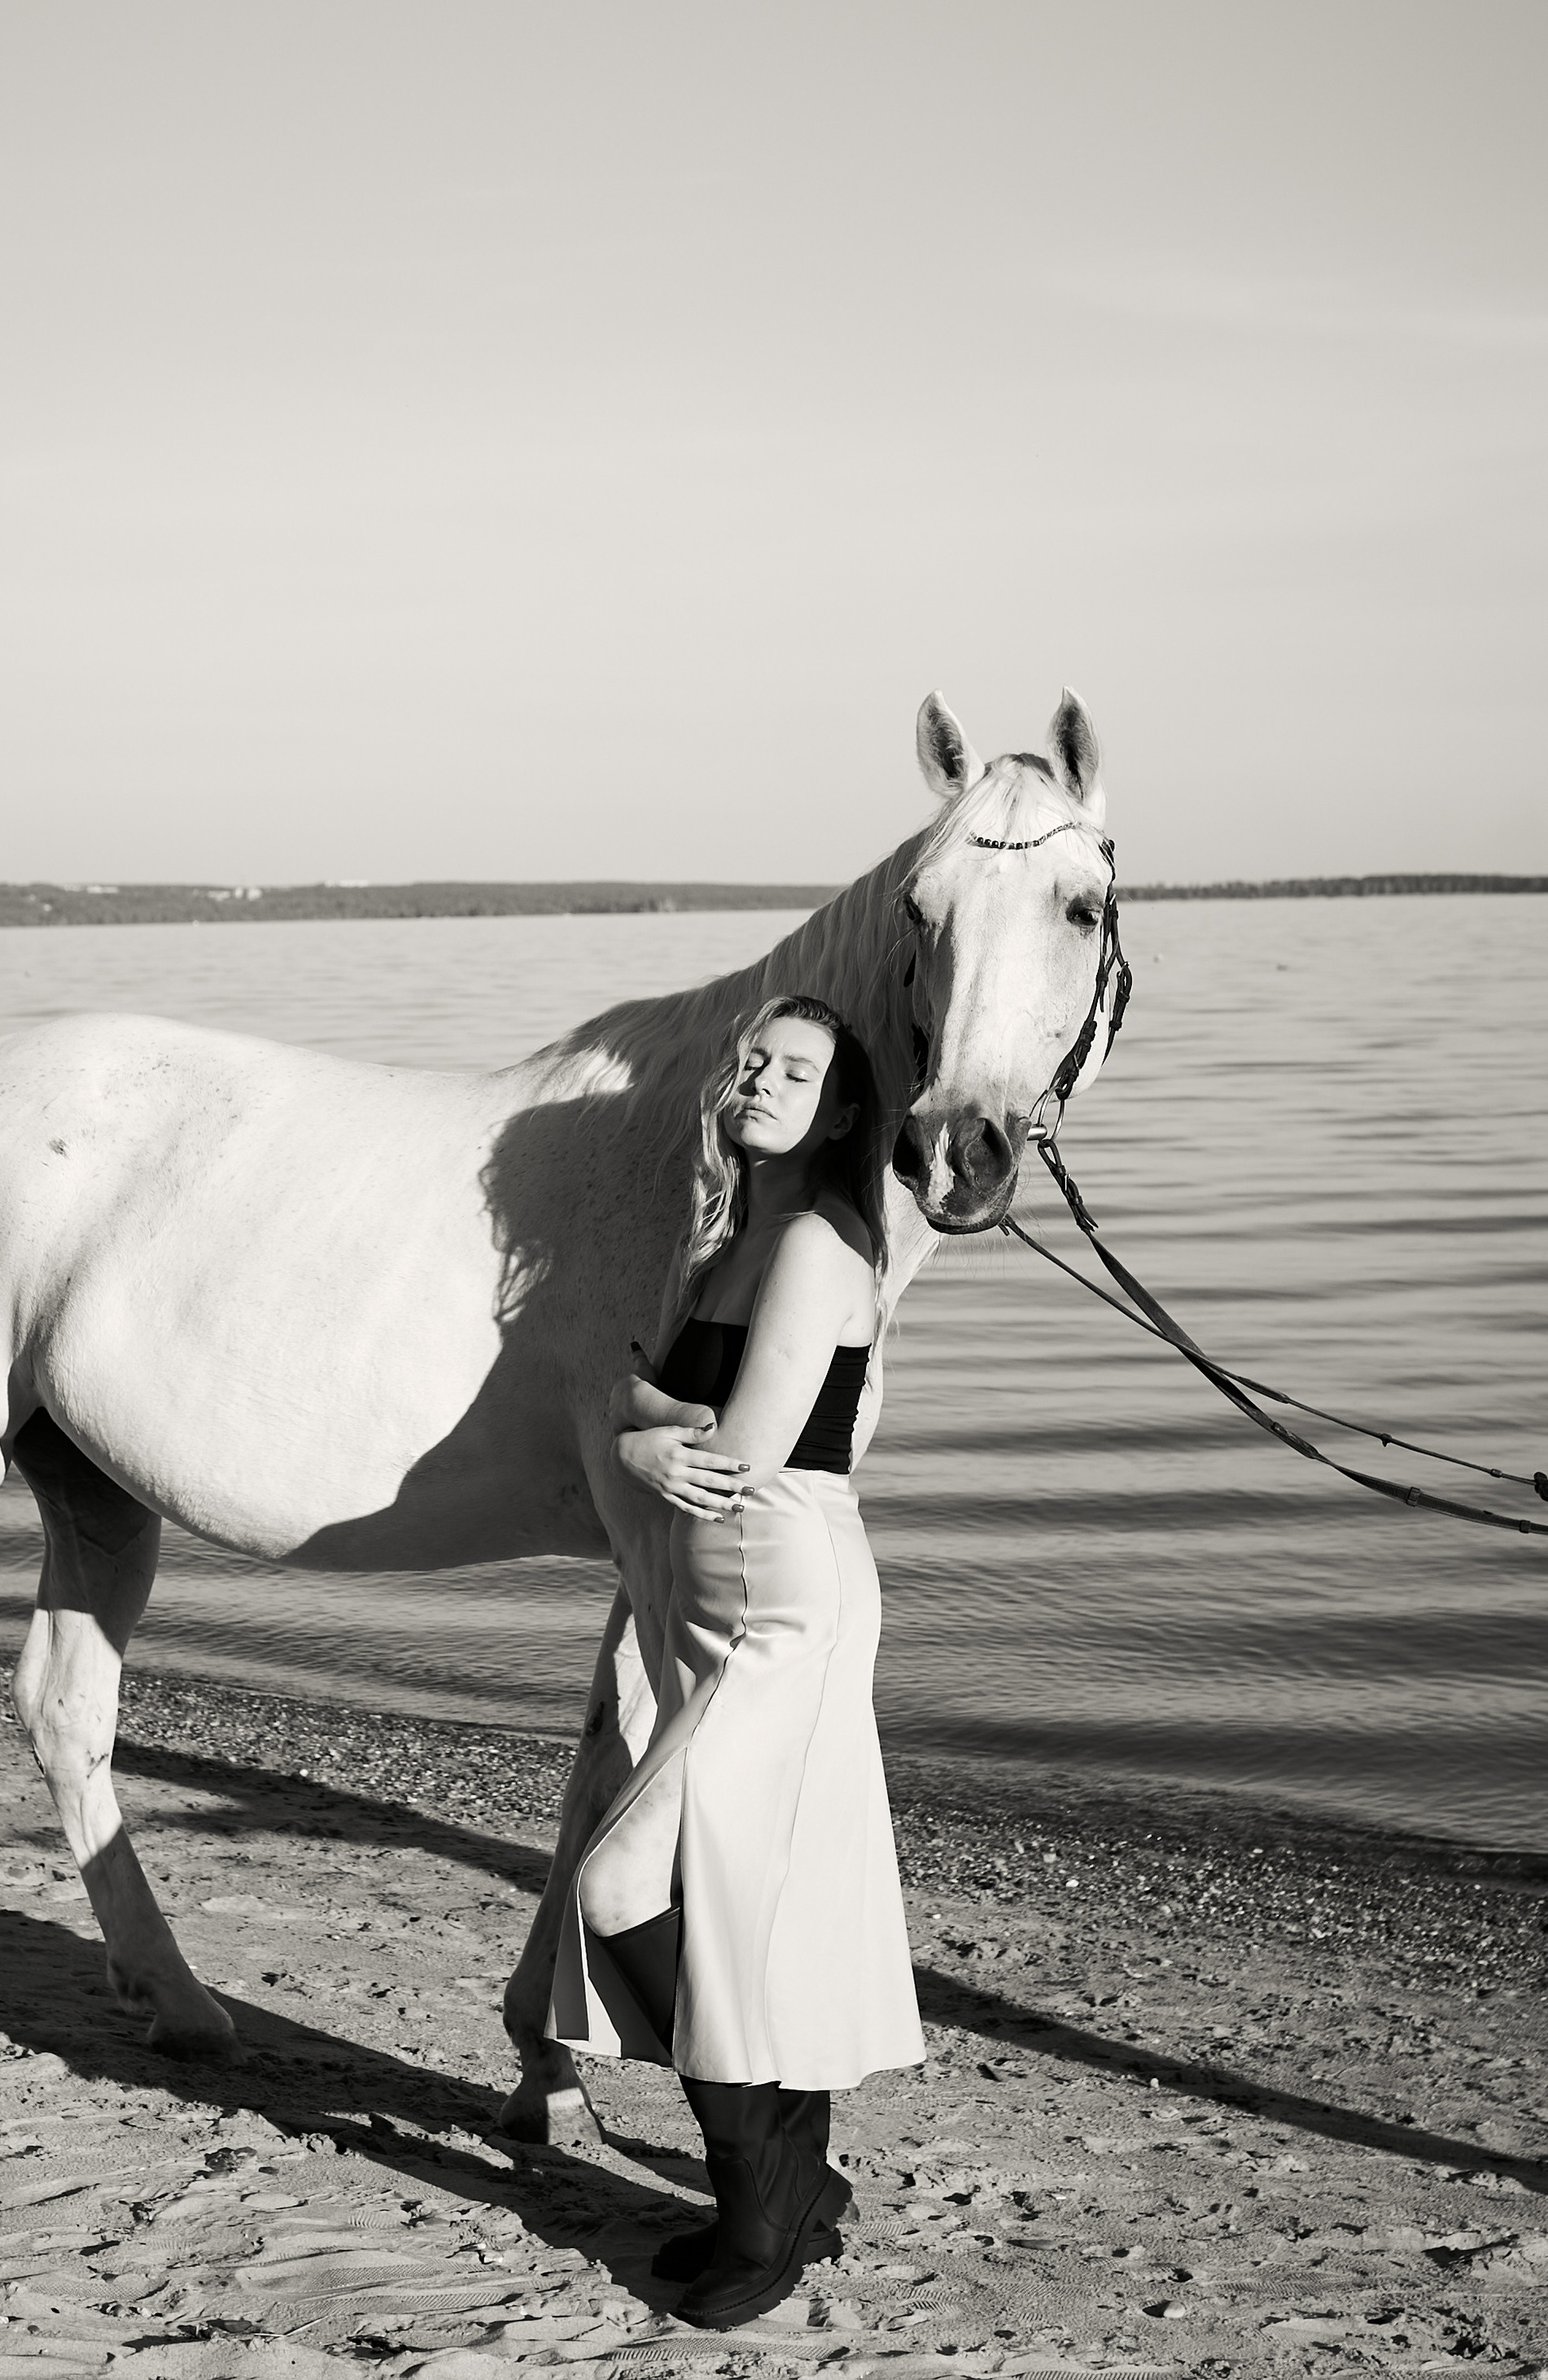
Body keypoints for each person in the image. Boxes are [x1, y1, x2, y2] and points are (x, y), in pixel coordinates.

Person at [547, 993, 924, 2332]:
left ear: (839, 1111)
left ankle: (760, 2193)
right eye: (752, 1060)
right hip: (711, 1597)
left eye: (798, 1070)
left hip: (781, 1595)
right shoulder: (721, 1239)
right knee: (757, 1896)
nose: (761, 1079)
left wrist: (642, 1436)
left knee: (623, 1881)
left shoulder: (819, 1248)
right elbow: (641, 1388)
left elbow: (737, 1447)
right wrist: (637, 1418)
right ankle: (789, 2178)